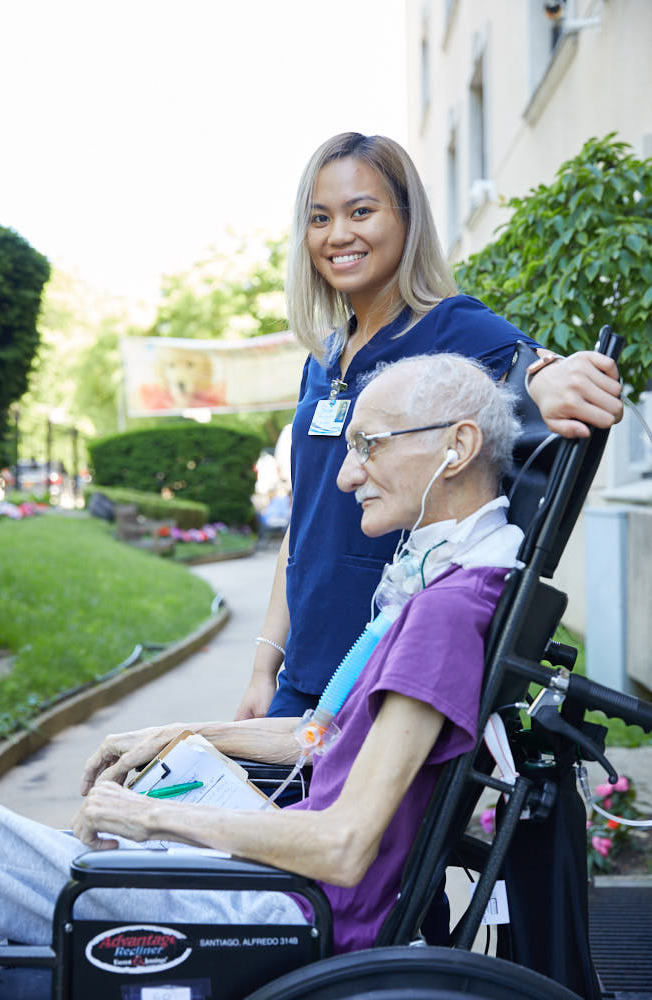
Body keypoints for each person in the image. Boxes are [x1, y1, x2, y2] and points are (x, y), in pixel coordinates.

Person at [0, 354, 523, 960]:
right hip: (276, 885)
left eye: (367, 445)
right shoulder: (457, 586)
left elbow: (342, 846)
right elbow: (329, 739)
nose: (347, 476)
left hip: (277, 907)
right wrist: (179, 732)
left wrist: (150, 817)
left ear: (457, 447)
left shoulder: (445, 613)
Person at [235, 131, 623, 722]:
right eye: (320, 218)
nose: (338, 234)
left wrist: (552, 378)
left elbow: (531, 372)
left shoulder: (451, 328)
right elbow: (305, 519)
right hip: (304, 676)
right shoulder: (322, 358)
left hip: (390, 674)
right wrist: (266, 665)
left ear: (407, 219)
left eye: (361, 211)